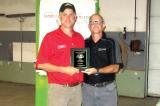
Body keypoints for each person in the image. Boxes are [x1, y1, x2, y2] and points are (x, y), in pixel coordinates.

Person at [36, 2, 84, 106]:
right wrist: (64, 69)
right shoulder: (50, 37)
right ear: (60, 16)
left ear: (75, 18)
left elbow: (81, 62)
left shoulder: (80, 38)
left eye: (71, 15)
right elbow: (41, 64)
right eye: (65, 14)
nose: (68, 17)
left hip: (77, 89)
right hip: (58, 90)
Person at [82, 13, 123, 106]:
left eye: (97, 22)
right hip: (87, 90)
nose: (95, 24)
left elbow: (116, 67)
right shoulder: (84, 43)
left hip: (107, 89)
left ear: (103, 25)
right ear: (89, 26)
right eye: (92, 22)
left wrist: (97, 70)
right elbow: (79, 64)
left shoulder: (111, 43)